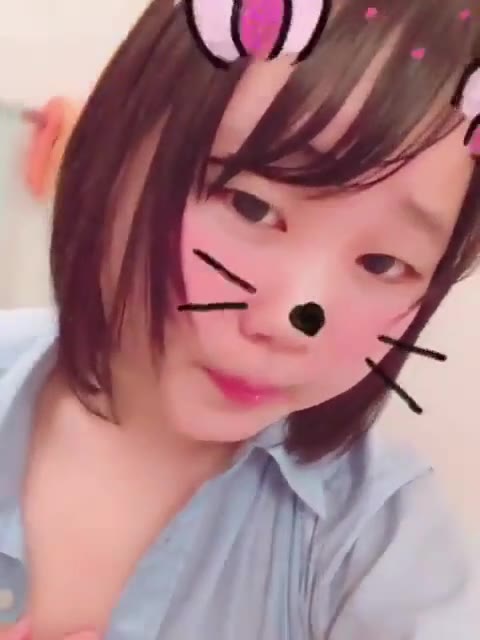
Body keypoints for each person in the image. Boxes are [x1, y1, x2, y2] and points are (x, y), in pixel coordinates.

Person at [0, 0, 479, 638]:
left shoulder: (379, 539)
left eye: (383, 263)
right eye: (251, 207)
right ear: (114, 143)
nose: (288, 321)